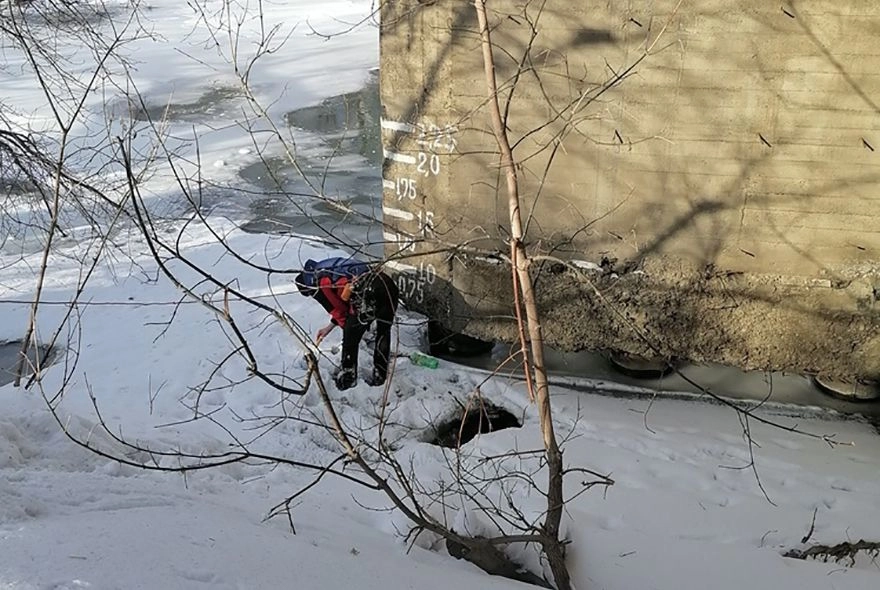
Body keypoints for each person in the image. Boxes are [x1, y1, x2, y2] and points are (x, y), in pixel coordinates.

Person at [294, 257, 399, 390]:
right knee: (383, 331)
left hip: (367, 293)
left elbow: (339, 310)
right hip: (387, 284)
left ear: (307, 289)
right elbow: (344, 299)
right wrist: (330, 327)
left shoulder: (317, 284)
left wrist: (349, 330)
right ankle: (380, 375)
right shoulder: (328, 268)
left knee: (350, 337)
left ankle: (348, 379)